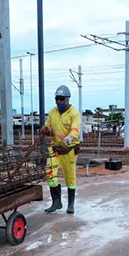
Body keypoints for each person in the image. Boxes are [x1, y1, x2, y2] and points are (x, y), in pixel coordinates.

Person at [42, 85, 80, 214]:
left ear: (67, 99)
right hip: (55, 149)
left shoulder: (74, 114)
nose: (58, 101)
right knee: (50, 173)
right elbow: (48, 126)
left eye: (61, 99)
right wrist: (46, 129)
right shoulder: (53, 112)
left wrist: (67, 141)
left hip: (69, 150)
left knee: (70, 177)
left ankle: (70, 204)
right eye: (56, 99)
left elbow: (75, 131)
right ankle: (56, 202)